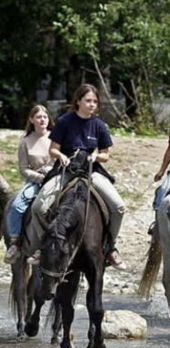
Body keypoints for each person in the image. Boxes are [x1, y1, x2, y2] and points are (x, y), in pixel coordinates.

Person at [26, 84, 126, 269]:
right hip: (66, 170)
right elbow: (53, 149)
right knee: (38, 207)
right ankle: (43, 247)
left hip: (91, 171)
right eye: (88, 101)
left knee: (119, 207)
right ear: (78, 101)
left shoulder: (99, 125)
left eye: (95, 101)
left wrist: (96, 156)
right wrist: (61, 155)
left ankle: (110, 248)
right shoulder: (64, 121)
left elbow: (106, 154)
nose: (92, 105)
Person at [4, 105, 54, 264]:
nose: (42, 120)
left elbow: (59, 159)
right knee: (17, 206)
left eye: (45, 117)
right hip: (35, 181)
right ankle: (15, 243)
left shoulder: (55, 138)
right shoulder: (25, 142)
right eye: (38, 117)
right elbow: (24, 169)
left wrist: (50, 170)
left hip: (55, 179)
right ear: (32, 120)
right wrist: (39, 177)